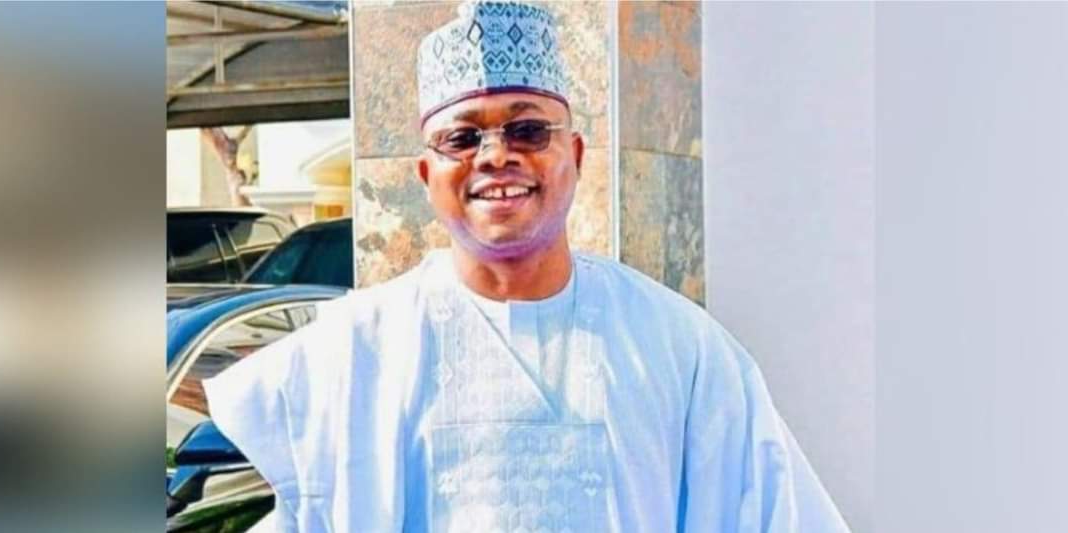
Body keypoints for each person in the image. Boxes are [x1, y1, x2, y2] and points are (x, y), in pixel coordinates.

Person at [204, 1, 851, 531]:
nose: (495, 156)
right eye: (463, 137)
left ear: (575, 155)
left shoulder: (681, 349)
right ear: (427, 175)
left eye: (528, 131)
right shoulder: (350, 354)